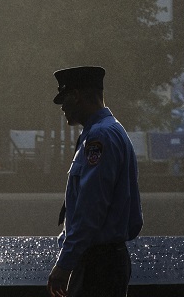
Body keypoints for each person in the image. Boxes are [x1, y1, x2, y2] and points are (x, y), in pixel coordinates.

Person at [46, 66, 142, 297]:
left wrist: (65, 264)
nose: (62, 108)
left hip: (97, 265)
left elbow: (90, 208)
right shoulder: (110, 131)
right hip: (105, 261)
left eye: (64, 100)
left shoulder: (99, 137)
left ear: (76, 96)